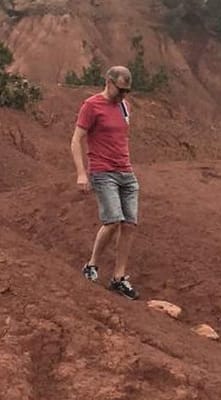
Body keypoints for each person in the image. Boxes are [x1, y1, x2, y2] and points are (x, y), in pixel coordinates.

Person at [70, 65, 140, 300]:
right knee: (112, 221)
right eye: (120, 90)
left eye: (126, 91)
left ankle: (119, 278)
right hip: (102, 171)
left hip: (126, 172)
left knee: (129, 224)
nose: (123, 95)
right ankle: (91, 265)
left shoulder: (124, 106)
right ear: (108, 82)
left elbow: (120, 139)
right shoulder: (91, 105)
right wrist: (81, 173)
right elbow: (76, 139)